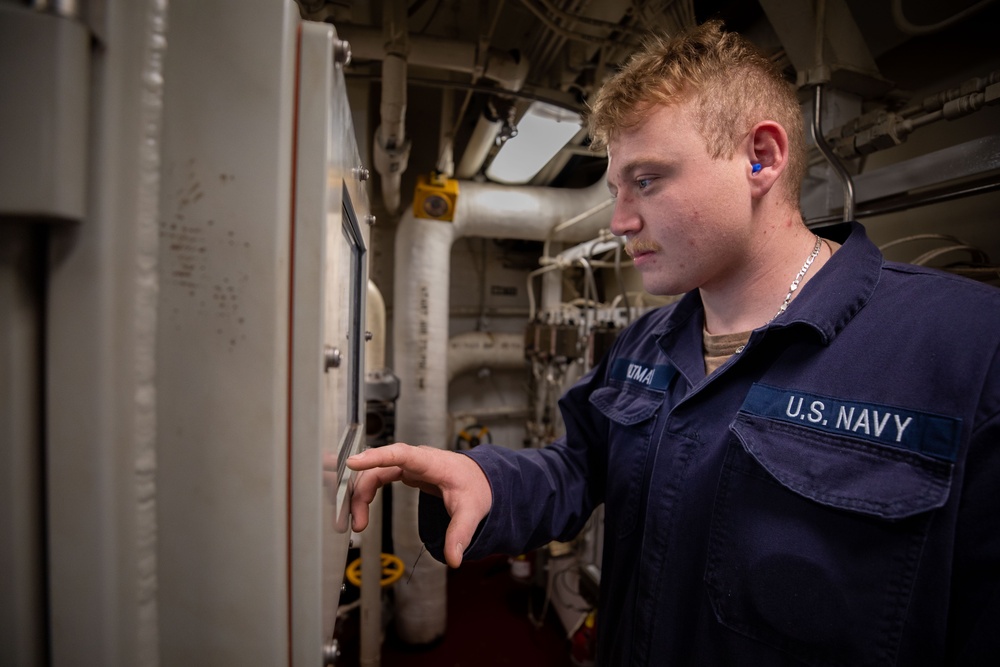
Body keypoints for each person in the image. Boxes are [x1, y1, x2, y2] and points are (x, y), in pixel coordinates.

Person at [347, 20, 1000, 666]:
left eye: (648, 180)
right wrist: (488, 480)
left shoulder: (969, 349)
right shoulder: (647, 342)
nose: (621, 220)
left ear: (761, 158)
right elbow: (578, 464)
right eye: (615, 189)